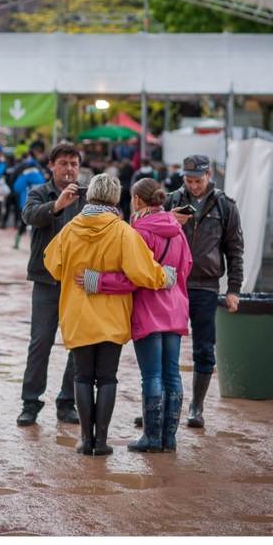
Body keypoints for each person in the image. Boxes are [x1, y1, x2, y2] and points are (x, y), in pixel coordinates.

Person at [43, 173, 177, 456]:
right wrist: (165, 277)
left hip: (77, 315)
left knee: (82, 377)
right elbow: (143, 272)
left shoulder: (69, 229)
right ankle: (101, 442)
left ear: (89, 196)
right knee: (106, 377)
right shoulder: (123, 231)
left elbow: (52, 265)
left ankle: (84, 441)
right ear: (116, 199)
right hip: (112, 317)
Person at [75, 177, 192, 453]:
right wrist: (171, 286)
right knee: (172, 374)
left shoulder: (136, 231)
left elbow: (132, 278)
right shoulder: (178, 229)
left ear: (137, 200)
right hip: (175, 307)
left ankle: (151, 438)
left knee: (151, 375)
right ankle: (169, 439)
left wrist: (98, 281)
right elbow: (186, 266)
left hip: (148, 309)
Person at [154, 153, 244, 429]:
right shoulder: (170, 201)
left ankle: (196, 406)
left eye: (198, 180)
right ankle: (158, 403)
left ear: (208, 176)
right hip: (171, 284)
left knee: (204, 348)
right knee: (161, 346)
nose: (193, 185)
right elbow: (150, 235)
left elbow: (235, 250)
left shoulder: (225, 207)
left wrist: (234, 289)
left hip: (205, 285)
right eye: (188, 180)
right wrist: (168, 219)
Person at [16, 141, 87, 427]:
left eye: (73, 164)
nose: (69, 169)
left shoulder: (87, 196)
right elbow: (29, 216)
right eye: (63, 164)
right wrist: (58, 205)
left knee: (79, 343)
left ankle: (67, 402)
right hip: (46, 281)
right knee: (41, 342)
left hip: (78, 283)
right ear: (51, 166)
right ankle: (30, 403)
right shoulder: (38, 193)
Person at [11, 159, 46, 249]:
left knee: (22, 225)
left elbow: (16, 188)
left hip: (24, 204)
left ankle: (16, 242)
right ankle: (35, 246)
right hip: (38, 205)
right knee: (35, 226)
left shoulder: (24, 176)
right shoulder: (40, 177)